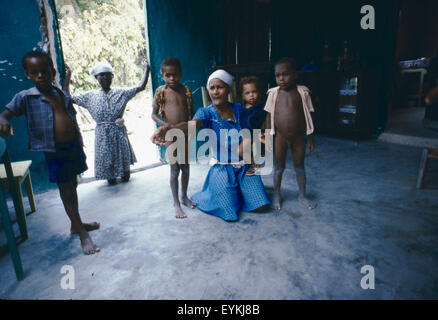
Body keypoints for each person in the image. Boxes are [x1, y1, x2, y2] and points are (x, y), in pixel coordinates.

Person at [0, 51, 100, 255]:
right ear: (28, 74)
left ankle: (76, 223)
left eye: (44, 71)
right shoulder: (25, 98)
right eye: (34, 72)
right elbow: (6, 114)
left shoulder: (60, 94)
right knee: (66, 191)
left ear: (52, 71)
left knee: (73, 185)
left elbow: (69, 116)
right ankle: (82, 233)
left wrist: (80, 144)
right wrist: (3, 121)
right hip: (55, 152)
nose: (40, 76)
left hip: (73, 147)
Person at [152, 69, 270, 222]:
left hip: (244, 165)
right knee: (229, 212)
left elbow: (255, 124)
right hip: (222, 168)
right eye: (212, 88)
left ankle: (239, 192)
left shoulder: (239, 109)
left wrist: (258, 135)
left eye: (220, 87)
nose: (215, 92)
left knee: (260, 206)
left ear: (228, 89)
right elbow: (191, 125)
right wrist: (169, 129)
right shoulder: (206, 113)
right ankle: (223, 192)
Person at [63, 59, 150, 185]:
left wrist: (147, 69)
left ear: (112, 76)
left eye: (107, 74)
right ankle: (111, 176)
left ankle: (124, 172)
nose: (105, 77)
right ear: (96, 78)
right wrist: (68, 75)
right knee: (110, 177)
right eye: (101, 75)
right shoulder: (90, 96)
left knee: (126, 176)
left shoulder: (122, 93)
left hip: (118, 132)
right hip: (102, 134)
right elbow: (67, 97)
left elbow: (140, 87)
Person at [264, 57, 316, 211]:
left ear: (295, 75)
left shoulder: (303, 93)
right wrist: (268, 137)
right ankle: (277, 195)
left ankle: (302, 195)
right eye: (277, 75)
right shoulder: (273, 94)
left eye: (285, 74)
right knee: (278, 167)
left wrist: (311, 138)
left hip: (299, 138)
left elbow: (309, 116)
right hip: (280, 137)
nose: (281, 78)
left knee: (300, 166)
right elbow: (268, 116)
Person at [151, 57, 195, 218]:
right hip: (170, 134)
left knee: (186, 167)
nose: (172, 78)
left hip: (184, 133)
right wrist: (164, 125)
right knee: (174, 168)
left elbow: (192, 114)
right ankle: (176, 203)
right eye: (168, 75)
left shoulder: (186, 91)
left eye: (175, 75)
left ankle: (184, 196)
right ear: (162, 75)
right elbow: (153, 115)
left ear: (181, 74)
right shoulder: (161, 92)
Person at [237, 76, 267, 175]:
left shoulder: (260, 108)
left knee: (240, 150)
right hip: (241, 133)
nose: (251, 95)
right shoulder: (241, 108)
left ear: (259, 93)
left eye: (254, 92)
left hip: (253, 134)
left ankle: (254, 165)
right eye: (247, 93)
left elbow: (260, 123)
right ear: (242, 96)